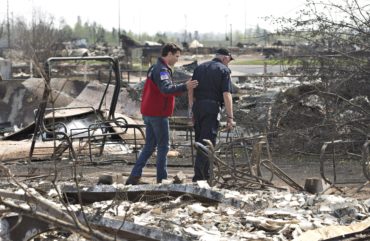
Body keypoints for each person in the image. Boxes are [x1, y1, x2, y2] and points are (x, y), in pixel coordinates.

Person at [126, 43, 198, 185]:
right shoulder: (162, 70)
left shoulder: (155, 67)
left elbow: (165, 89)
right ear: (169, 54)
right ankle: (162, 179)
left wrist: (183, 85)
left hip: (149, 112)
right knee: (163, 146)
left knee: (149, 146)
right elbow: (166, 89)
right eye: (176, 56)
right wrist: (185, 86)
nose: (177, 59)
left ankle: (134, 176)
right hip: (157, 114)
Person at [188, 48, 234, 182]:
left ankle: (204, 175)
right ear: (225, 58)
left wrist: (191, 110)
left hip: (198, 107)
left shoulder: (199, 68)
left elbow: (190, 88)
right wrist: (230, 117)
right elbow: (227, 94)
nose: (228, 63)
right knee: (207, 142)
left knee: (200, 142)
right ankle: (200, 178)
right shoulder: (224, 70)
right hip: (212, 108)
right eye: (229, 60)